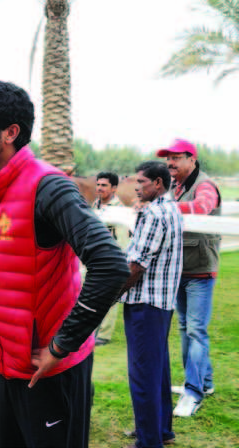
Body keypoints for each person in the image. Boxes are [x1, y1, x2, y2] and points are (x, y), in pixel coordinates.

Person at [0, 80, 129, 448]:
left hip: (51, 370)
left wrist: (61, 346)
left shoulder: (49, 187)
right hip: (8, 367)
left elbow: (111, 265)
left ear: (10, 132)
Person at [117, 161, 182, 448]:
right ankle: (162, 430)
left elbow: (136, 265)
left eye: (142, 182)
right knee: (157, 370)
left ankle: (148, 441)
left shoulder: (154, 213)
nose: (136, 187)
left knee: (143, 374)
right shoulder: (171, 208)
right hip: (161, 303)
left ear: (157, 183)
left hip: (145, 304)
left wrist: (110, 293)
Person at [157, 139, 222, 417]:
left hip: (200, 272)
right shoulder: (175, 186)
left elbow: (203, 207)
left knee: (195, 331)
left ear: (191, 160)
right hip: (180, 269)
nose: (170, 163)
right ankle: (202, 383)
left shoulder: (205, 185)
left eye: (176, 158)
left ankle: (193, 392)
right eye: (168, 158)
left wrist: (162, 209)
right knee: (186, 328)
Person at [92, 171, 124, 346]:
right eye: (98, 184)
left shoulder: (118, 210)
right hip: (94, 258)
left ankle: (104, 334)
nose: (99, 188)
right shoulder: (95, 205)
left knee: (110, 298)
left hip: (111, 258)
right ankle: (92, 329)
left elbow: (122, 238)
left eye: (104, 185)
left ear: (114, 188)